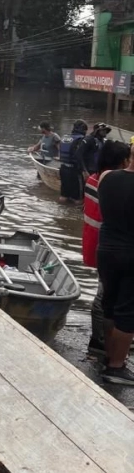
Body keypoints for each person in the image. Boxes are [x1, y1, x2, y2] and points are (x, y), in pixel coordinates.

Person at [82, 141, 131, 357]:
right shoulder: (105, 181)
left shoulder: (97, 179)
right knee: (106, 296)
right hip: (109, 245)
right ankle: (101, 341)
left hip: (100, 245)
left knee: (107, 296)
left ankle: (104, 340)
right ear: (122, 161)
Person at [96, 148, 134, 384]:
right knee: (128, 312)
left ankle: (109, 356)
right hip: (131, 253)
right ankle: (116, 367)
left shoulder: (106, 176)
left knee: (109, 305)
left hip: (106, 250)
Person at [58, 120, 89, 203]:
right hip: (74, 171)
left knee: (64, 196)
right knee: (78, 199)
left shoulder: (64, 137)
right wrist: (84, 170)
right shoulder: (80, 139)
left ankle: (61, 209)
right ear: (83, 129)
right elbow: (78, 156)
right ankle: (74, 212)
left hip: (63, 168)